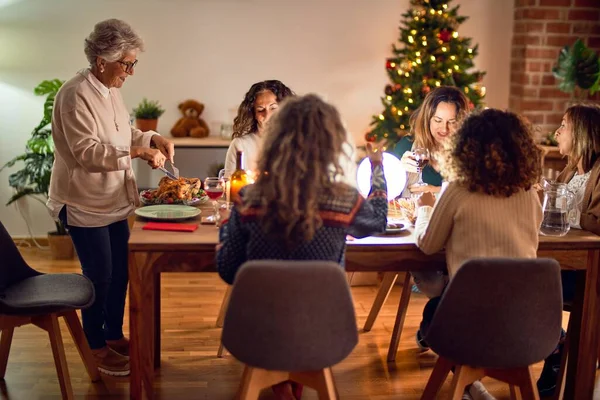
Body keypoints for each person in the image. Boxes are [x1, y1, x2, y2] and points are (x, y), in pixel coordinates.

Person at [216, 94, 387, 399]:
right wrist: (376, 168)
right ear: (331, 144)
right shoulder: (344, 200)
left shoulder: (249, 198)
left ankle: (282, 384)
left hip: (256, 334)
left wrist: (225, 235)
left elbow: (229, 270)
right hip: (324, 332)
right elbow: (376, 223)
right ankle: (291, 380)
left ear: (275, 140)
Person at [46, 19, 174, 376]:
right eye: (127, 64)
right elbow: (87, 152)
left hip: (114, 199)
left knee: (121, 273)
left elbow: (124, 131)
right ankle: (95, 346)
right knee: (99, 274)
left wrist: (152, 139)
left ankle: (113, 334)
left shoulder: (110, 88)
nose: (130, 72)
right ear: (102, 60)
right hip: (84, 202)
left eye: (133, 64)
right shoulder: (74, 95)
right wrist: (137, 154)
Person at [414, 108, 543, 400]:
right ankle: (472, 385)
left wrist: (424, 207)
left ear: (465, 147)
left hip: (468, 324)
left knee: (435, 312)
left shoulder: (458, 191)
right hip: (523, 324)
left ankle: (470, 383)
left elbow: (427, 245)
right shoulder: (529, 194)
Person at [536, 103, 600, 397]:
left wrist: (559, 210)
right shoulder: (569, 172)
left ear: (583, 134)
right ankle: (557, 343)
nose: (557, 132)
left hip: (588, 272)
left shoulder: (598, 173)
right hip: (562, 263)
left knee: (526, 281)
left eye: (564, 125)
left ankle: (556, 345)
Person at [393, 86, 470, 196]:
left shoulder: (469, 152)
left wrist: (435, 190)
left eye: (452, 122)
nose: (444, 129)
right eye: (438, 120)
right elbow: (384, 192)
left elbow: (476, 195)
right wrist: (398, 171)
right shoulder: (406, 146)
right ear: (427, 120)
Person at [223, 80, 294, 178]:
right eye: (260, 110)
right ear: (253, 114)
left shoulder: (296, 142)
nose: (268, 115)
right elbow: (229, 187)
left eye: (273, 108)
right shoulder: (240, 145)